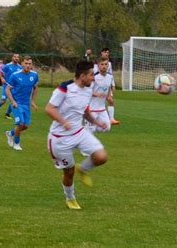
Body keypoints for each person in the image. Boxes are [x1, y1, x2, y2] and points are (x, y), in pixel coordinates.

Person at [45, 60, 109, 210]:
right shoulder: (65, 88)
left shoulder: (88, 89)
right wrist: (64, 122)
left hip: (79, 132)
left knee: (101, 157)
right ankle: (70, 198)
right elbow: (49, 109)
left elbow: (84, 110)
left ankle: (84, 168)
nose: (94, 78)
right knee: (69, 172)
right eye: (92, 75)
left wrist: (96, 122)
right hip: (59, 138)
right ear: (82, 76)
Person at [4, 56, 39, 151]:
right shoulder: (15, 75)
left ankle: (10, 133)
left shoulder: (34, 75)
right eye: (26, 63)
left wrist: (33, 101)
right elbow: (7, 90)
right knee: (20, 124)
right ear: (22, 64)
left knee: (25, 126)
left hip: (26, 104)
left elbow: (35, 88)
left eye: (30, 64)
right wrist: (13, 102)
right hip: (17, 103)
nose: (28, 66)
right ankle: (16, 143)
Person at [0, 53, 22, 119]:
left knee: (14, 101)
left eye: (17, 57)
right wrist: (2, 78)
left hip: (14, 87)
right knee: (3, 100)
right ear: (12, 58)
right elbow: (0, 72)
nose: (16, 58)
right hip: (6, 86)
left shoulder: (20, 67)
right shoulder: (7, 66)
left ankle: (7, 114)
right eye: (15, 57)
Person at [94, 48, 120, 125]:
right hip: (97, 84)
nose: (107, 53)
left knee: (111, 100)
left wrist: (113, 86)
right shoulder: (95, 65)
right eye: (105, 52)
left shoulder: (110, 68)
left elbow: (111, 74)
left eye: (108, 52)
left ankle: (111, 119)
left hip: (106, 83)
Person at [87, 56, 113, 133]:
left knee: (107, 127)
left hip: (102, 109)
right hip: (92, 109)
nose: (104, 66)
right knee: (90, 131)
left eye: (106, 64)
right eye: (102, 64)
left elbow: (108, 87)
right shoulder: (94, 78)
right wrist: (97, 94)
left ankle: (89, 128)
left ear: (108, 65)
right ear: (98, 65)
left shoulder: (110, 77)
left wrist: (109, 96)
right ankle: (86, 129)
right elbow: (87, 91)